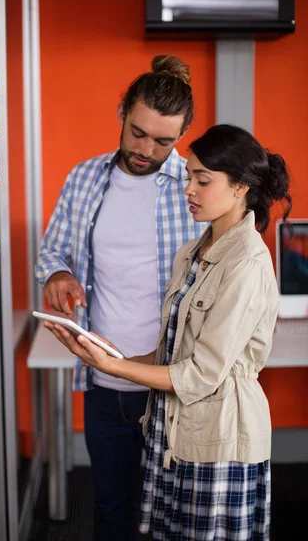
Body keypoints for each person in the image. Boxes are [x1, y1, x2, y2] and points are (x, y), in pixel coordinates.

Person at [43, 123, 292, 541]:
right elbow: (171, 353)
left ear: (240, 188)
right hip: (176, 433)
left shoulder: (246, 264)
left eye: (202, 180)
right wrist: (104, 354)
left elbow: (198, 374)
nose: (188, 189)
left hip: (218, 442)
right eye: (189, 176)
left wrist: (115, 368)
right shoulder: (194, 252)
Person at [35, 55, 205, 540]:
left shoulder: (196, 190)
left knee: (175, 512)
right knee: (111, 507)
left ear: (182, 135)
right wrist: (60, 274)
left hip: (173, 383)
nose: (146, 149)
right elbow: (52, 251)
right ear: (121, 113)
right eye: (137, 132)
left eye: (163, 140)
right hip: (104, 381)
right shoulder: (85, 179)